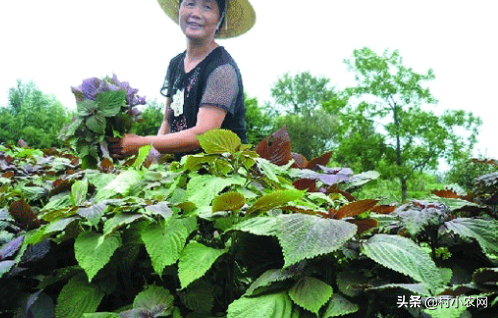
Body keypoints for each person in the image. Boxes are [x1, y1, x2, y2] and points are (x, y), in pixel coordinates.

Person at [109, 0, 255, 159]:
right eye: (190, 3)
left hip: (223, 169)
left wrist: (140, 143)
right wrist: (151, 158)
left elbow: (203, 134)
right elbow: (167, 122)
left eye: (207, 7)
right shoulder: (176, 64)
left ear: (219, 21)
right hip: (183, 167)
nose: (196, 13)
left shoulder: (222, 69)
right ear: (179, 11)